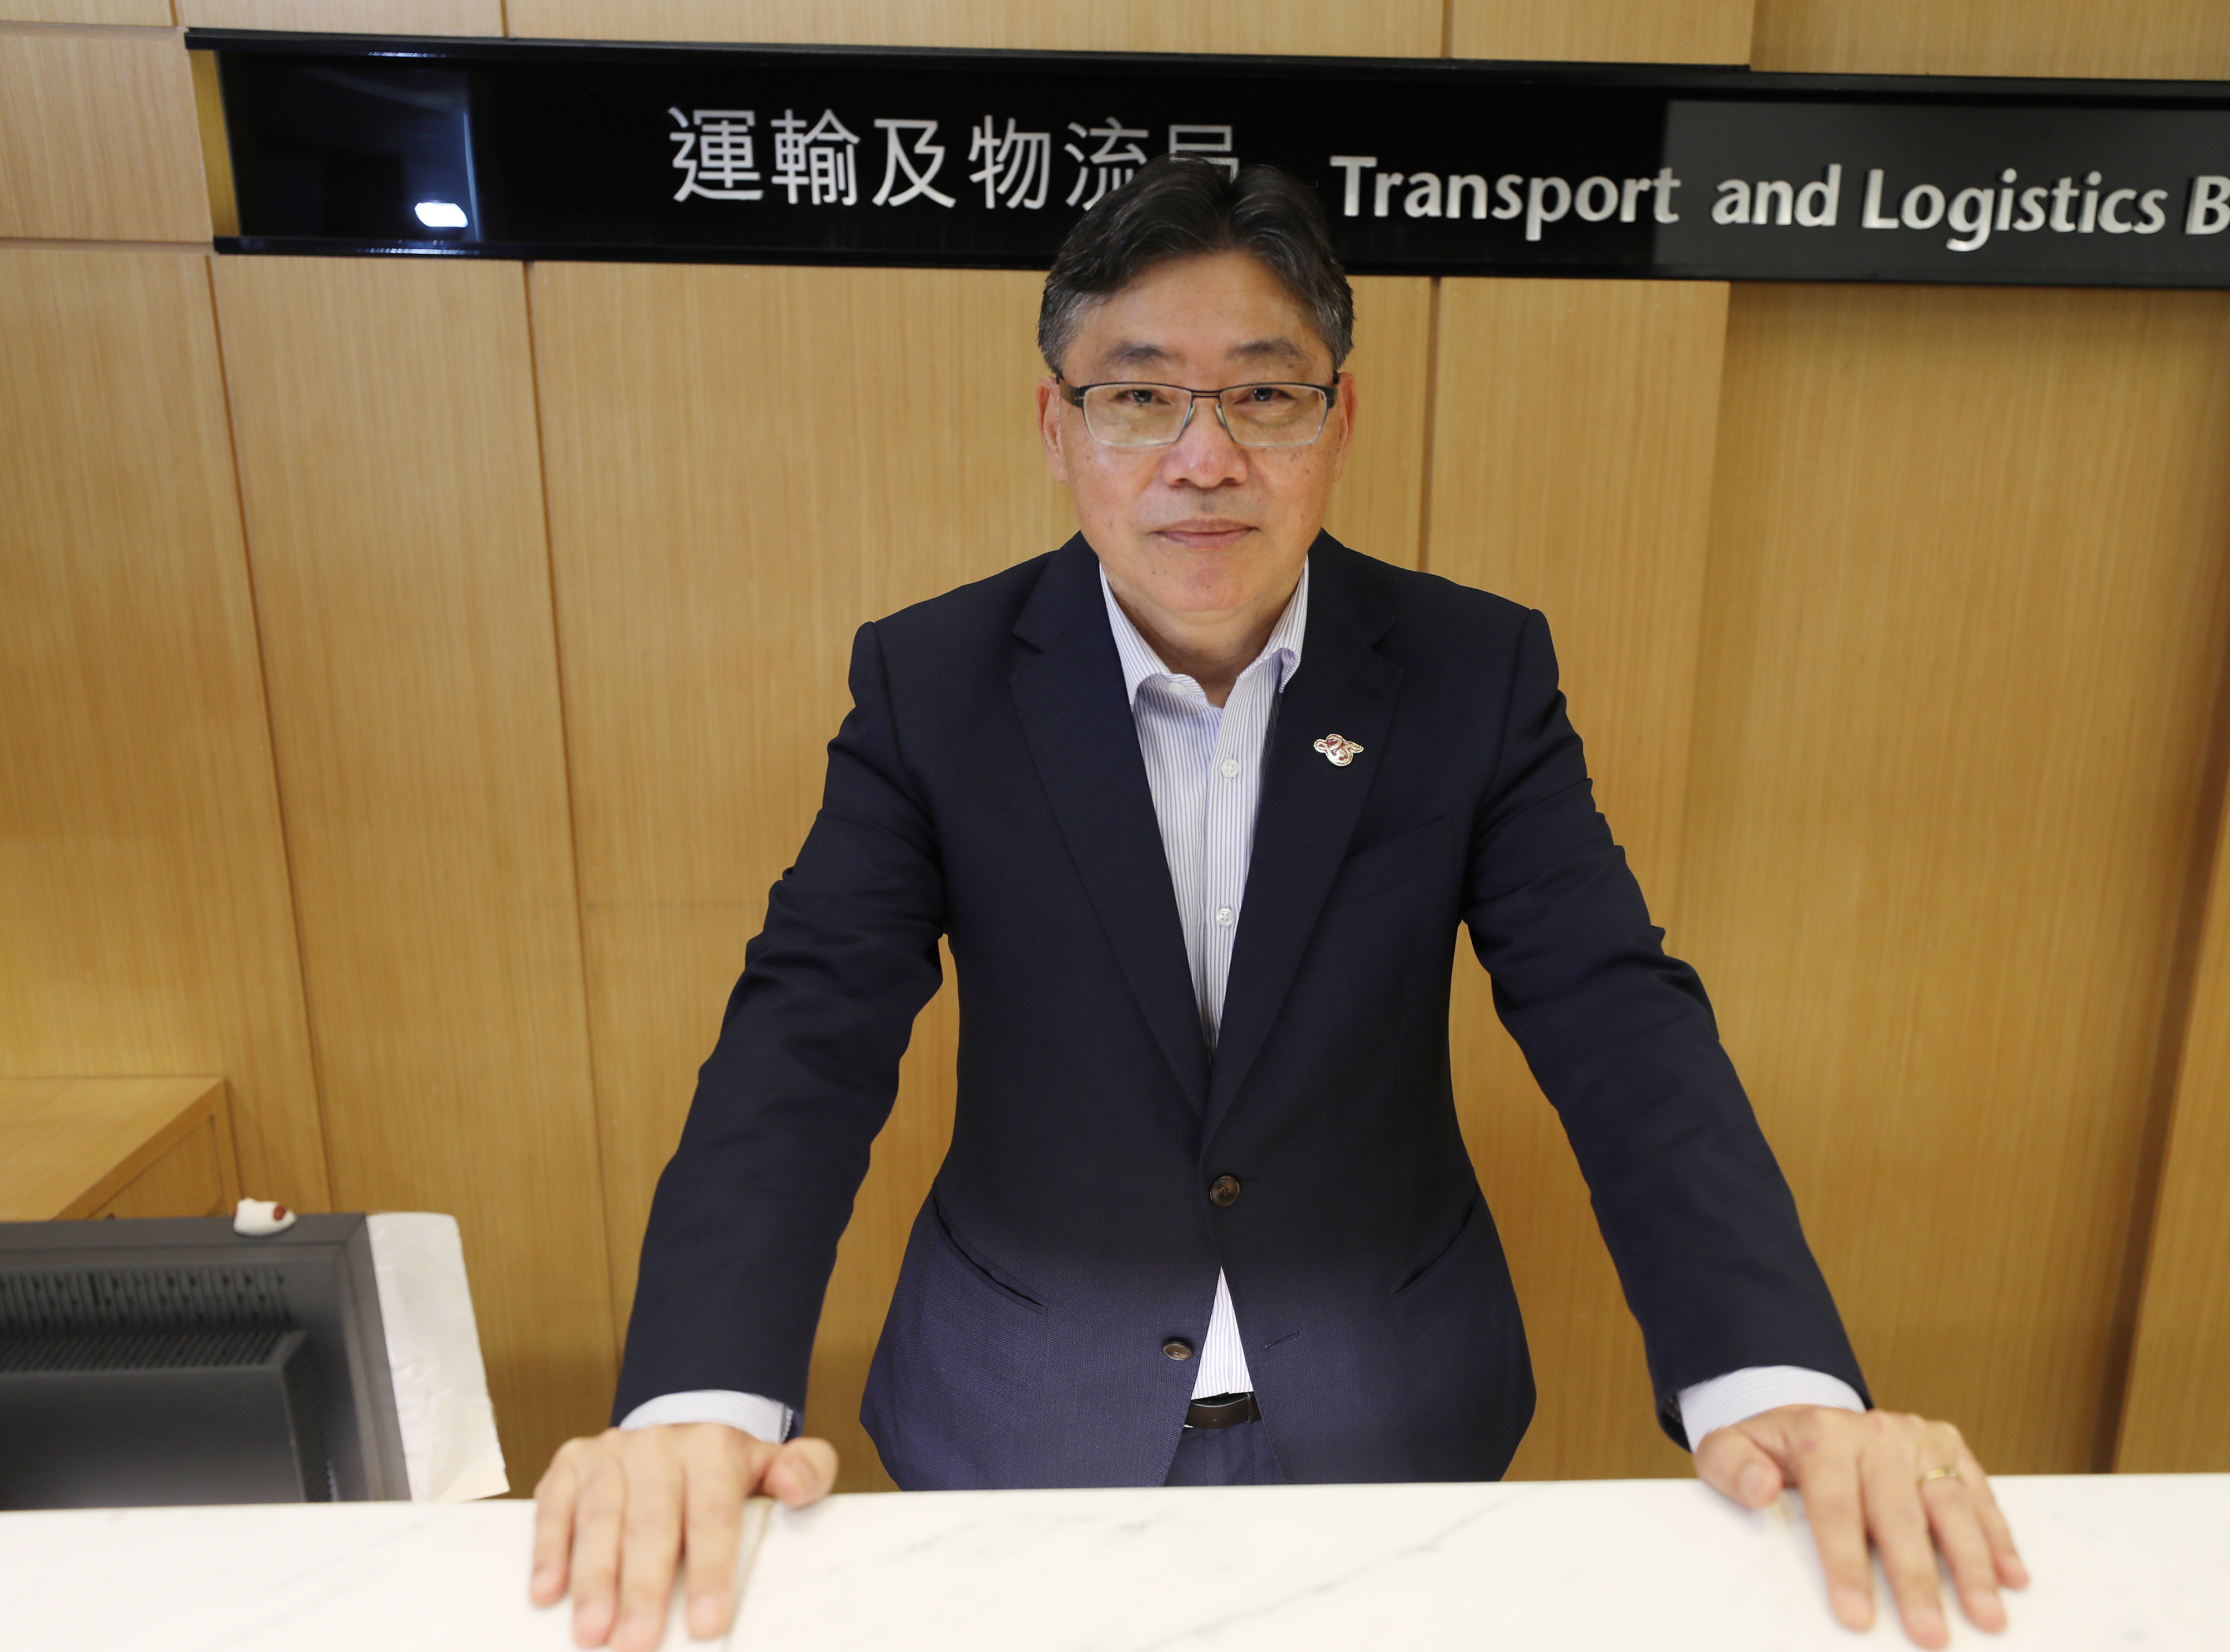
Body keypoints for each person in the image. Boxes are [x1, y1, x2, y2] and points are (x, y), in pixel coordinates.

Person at [530, 157, 2027, 1651]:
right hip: (1022, 1411)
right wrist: (699, 1400)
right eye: (1138, 397)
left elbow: (1616, 1019)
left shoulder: (1471, 673)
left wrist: (1778, 1379)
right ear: (1057, 426)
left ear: (1339, 420)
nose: (1204, 459)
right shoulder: (935, 682)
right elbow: (806, 1035)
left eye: (1264, 395)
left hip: (1393, 1413)